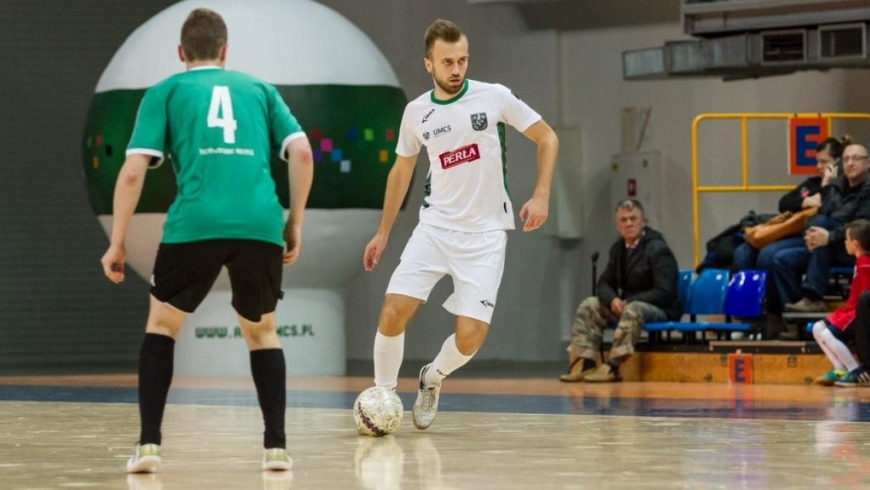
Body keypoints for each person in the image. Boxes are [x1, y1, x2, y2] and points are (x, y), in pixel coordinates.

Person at [99, 8, 313, 473]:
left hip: (194, 223)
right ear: (224, 51)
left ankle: (149, 446)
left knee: (161, 327)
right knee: (262, 332)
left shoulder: (166, 91)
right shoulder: (260, 90)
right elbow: (302, 151)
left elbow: (134, 170)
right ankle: (276, 448)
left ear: (181, 53)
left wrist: (117, 242)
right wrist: (293, 222)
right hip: (259, 225)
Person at [361, 19, 558, 430]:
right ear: (428, 64)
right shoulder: (417, 112)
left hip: (485, 236)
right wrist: (383, 231)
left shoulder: (495, 97)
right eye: (447, 61)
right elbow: (401, 169)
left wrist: (540, 195)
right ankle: (383, 395)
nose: (457, 69)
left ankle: (431, 378)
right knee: (393, 310)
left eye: (462, 60)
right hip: (434, 228)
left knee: (469, 337)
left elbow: (548, 138)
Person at [560, 199, 680, 383]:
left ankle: (612, 367)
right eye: (624, 220)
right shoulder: (618, 249)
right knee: (590, 305)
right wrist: (613, 300)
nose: (629, 223)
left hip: (661, 309)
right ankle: (587, 363)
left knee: (634, 308)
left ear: (643, 221)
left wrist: (630, 302)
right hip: (627, 306)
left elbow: (666, 292)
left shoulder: (657, 248)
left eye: (633, 218)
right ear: (617, 225)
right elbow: (604, 283)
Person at [767, 144, 870, 338]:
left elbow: (864, 227)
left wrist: (829, 237)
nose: (850, 163)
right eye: (846, 159)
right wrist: (812, 233)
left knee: (825, 238)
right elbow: (819, 215)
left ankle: (813, 297)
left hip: (855, 248)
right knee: (780, 259)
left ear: (868, 163)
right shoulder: (835, 187)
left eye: (856, 158)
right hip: (829, 247)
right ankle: (795, 325)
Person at [731, 137, 846, 272]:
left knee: (767, 254)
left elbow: (824, 211)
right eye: (817, 161)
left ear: (837, 164)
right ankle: (746, 292)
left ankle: (770, 293)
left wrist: (827, 183)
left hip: (810, 237)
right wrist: (805, 201)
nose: (818, 166)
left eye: (824, 162)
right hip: (790, 229)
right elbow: (784, 202)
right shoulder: (811, 183)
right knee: (743, 252)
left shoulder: (841, 188)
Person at [809, 220, 870, 386]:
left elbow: (865, 298)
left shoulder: (865, 264)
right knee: (817, 328)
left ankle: (854, 370)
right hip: (848, 309)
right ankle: (839, 369)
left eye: (847, 239)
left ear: (855, 244)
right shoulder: (860, 261)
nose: (845, 243)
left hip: (855, 312)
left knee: (827, 334)